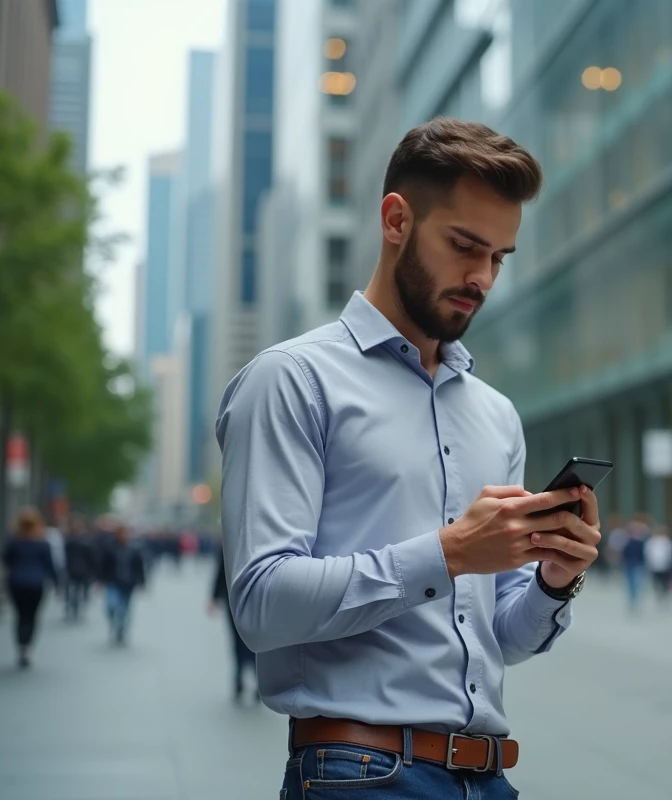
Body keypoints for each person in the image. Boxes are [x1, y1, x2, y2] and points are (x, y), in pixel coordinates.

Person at [216, 118, 600, 799]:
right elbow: (261, 604)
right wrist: (450, 553)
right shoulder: (292, 381)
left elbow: (498, 636)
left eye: (500, 257)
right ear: (396, 219)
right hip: (357, 776)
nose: (481, 277)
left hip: (488, 778)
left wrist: (552, 583)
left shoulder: (496, 415)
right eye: (464, 246)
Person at [1, 508, 57, 668]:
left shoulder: (13, 541)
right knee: (32, 616)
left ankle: (21, 645)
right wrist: (57, 583)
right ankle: (27, 647)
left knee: (20, 615)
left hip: (16, 582)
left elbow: (6, 559)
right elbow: (50, 565)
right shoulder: (42, 542)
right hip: (36, 583)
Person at [209, 542, 258, 704]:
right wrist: (214, 597)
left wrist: (214, 597)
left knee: (240, 641)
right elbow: (221, 571)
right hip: (247, 601)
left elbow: (220, 571)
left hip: (236, 600)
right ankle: (247, 679)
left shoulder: (232, 543)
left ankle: (241, 679)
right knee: (252, 642)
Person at [96, 523, 147, 645]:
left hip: (128, 583)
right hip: (113, 582)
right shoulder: (109, 548)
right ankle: (114, 622)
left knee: (125, 609)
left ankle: (122, 630)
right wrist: (100, 580)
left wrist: (142, 583)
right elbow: (103, 565)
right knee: (111, 606)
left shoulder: (134, 549)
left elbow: (139, 567)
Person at [63, 514, 96, 621]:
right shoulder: (82, 541)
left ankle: (73, 607)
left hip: (76, 570)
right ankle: (74, 607)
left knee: (74, 590)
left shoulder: (71, 541)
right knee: (77, 591)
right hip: (79, 570)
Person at [645, 524, 672, 603]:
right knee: (656, 581)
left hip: (665, 564)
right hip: (655, 564)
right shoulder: (651, 541)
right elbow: (648, 552)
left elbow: (670, 553)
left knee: (664, 580)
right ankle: (659, 592)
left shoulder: (667, 541)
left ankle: (664, 591)